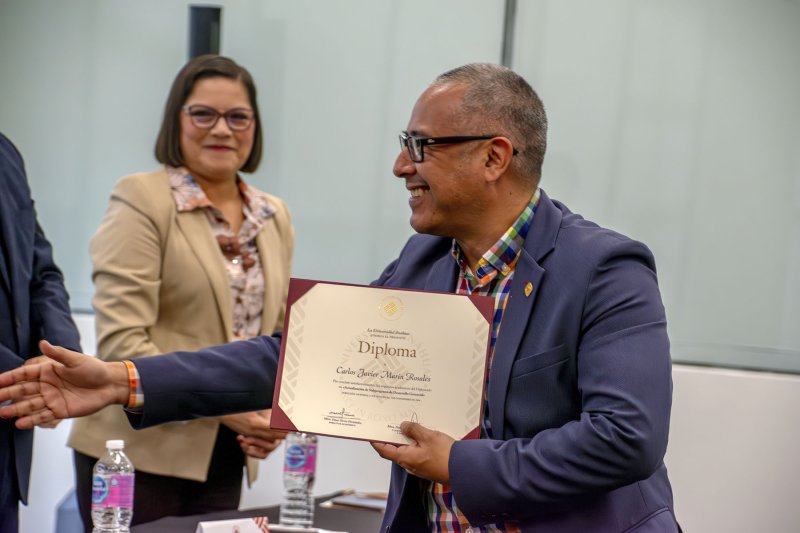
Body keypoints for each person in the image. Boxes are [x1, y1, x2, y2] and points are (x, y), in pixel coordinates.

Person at [0, 63, 680, 532]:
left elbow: (626, 438)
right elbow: (294, 355)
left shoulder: (604, 269)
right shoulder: (423, 262)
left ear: (494, 157)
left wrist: (458, 463)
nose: (401, 165)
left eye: (420, 146)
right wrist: (123, 379)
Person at [65, 55, 293, 530]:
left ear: (254, 126)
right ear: (177, 119)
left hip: (226, 454)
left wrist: (272, 416)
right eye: (203, 114)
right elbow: (123, 342)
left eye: (238, 116)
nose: (222, 129)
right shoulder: (142, 198)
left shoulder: (272, 214)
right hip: (138, 451)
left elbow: (277, 339)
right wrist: (231, 407)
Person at [0, 132, 81, 532]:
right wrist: (25, 379)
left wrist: (61, 356)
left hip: (7, 441)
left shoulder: (5, 152)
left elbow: (40, 267)